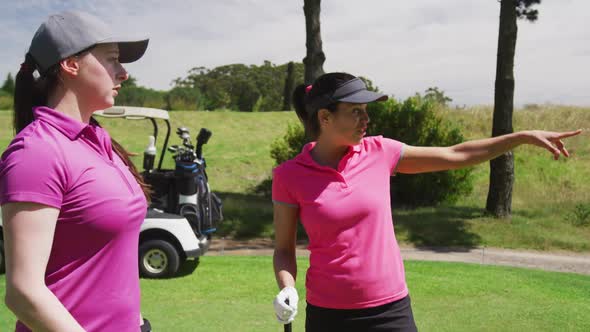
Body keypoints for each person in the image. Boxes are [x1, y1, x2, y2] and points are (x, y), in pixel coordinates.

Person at [271, 72, 582, 331]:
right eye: (356, 111)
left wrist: (521, 137)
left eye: (367, 111)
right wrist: (287, 287)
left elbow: (456, 154)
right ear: (325, 117)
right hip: (328, 315)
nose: (366, 120)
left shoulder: (380, 152)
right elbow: (284, 248)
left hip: (390, 310)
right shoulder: (289, 176)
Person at [0, 11, 152, 331]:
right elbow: (23, 292)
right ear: (71, 64)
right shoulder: (37, 152)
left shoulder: (101, 143)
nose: (123, 73)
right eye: (112, 60)